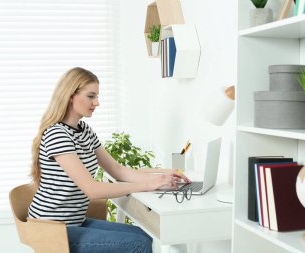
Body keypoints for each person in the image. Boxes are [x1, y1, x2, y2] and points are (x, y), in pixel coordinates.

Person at [28, 67, 190, 253]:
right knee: (138, 245)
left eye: (97, 96)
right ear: (71, 95)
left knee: (143, 235)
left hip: (73, 222)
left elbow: (117, 170)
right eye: (91, 96)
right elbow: (92, 189)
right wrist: (149, 184)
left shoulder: (85, 131)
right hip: (51, 229)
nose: (97, 102)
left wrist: (162, 176)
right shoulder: (57, 134)